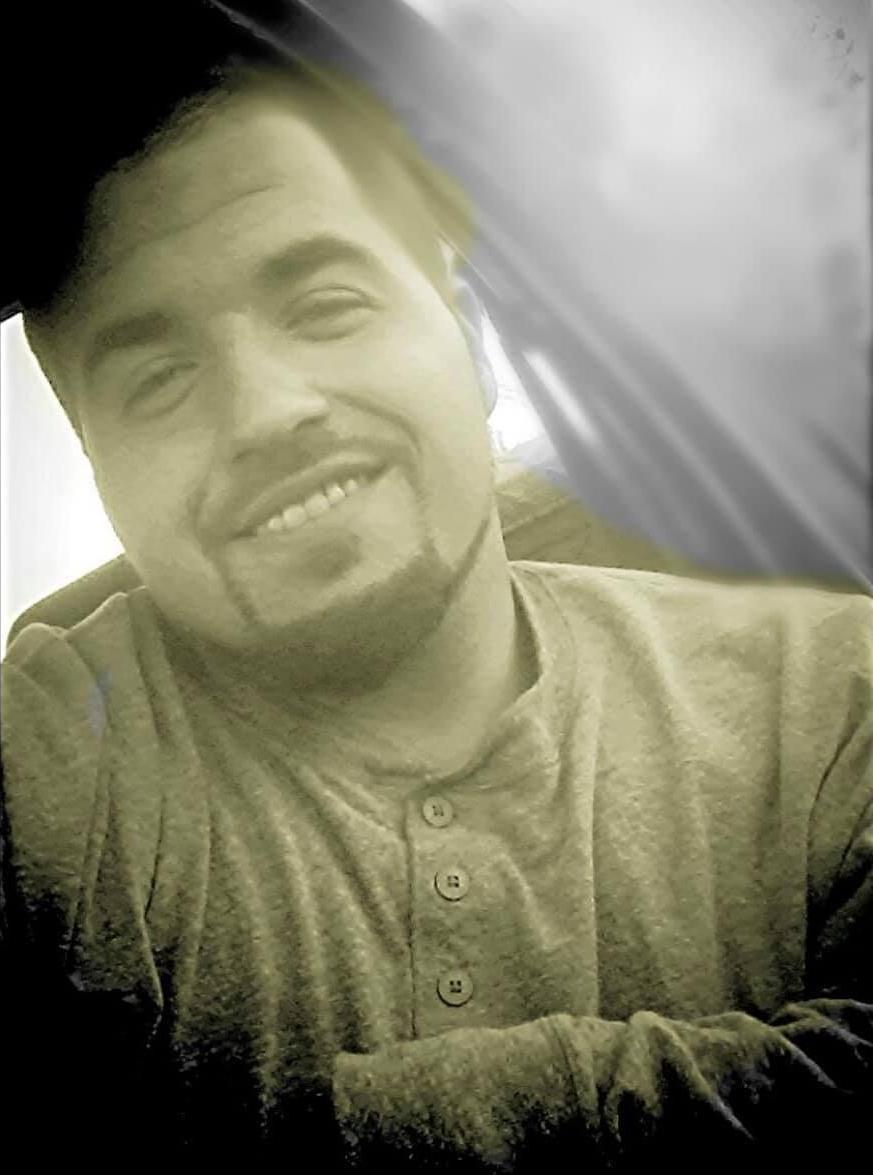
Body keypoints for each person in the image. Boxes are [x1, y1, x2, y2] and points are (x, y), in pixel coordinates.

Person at [1, 47, 871, 1171]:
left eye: (326, 305)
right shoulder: (50, 766)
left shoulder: (832, 704)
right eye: (157, 380)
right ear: (100, 465)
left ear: (468, 336)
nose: (264, 412)